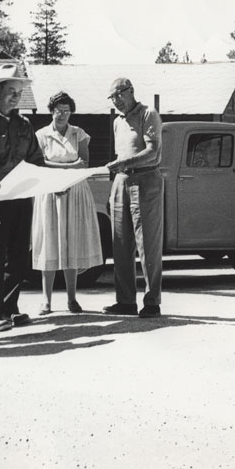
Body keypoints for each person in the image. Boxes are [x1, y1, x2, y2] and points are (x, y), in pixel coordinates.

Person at [0, 63, 45, 332]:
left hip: (21, 199)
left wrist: (51, 182)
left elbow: (37, 160)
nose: (16, 96)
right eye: (11, 91)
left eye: (19, 92)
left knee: (17, 257)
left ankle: (10, 308)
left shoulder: (25, 125)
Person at [32, 92, 103, 315]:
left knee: (71, 244)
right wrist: (67, 168)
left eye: (66, 110)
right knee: (50, 244)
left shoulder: (79, 134)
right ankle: (46, 301)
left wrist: (66, 170)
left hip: (75, 193)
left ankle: (72, 299)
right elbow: (39, 164)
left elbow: (84, 163)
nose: (62, 114)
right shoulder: (41, 135)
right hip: (49, 194)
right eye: (58, 110)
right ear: (51, 110)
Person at [103, 78, 164, 318]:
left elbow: (153, 152)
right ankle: (125, 300)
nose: (116, 101)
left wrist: (125, 164)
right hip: (121, 182)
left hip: (146, 181)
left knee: (147, 244)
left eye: (119, 95)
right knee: (120, 243)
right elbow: (120, 155)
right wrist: (114, 186)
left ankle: (152, 302)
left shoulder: (148, 114)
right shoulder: (117, 122)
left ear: (131, 92)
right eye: (112, 98)